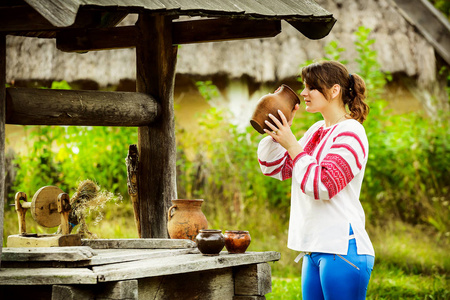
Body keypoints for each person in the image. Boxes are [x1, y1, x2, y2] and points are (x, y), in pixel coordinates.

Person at [257, 61, 375, 300]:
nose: (303, 93)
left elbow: (324, 185)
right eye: (304, 86)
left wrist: (292, 144)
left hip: (342, 248)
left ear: (334, 91)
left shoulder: (351, 132)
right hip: (313, 249)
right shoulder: (317, 131)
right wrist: (280, 134)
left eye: (311, 87)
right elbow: (274, 167)